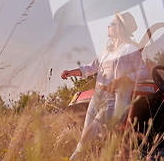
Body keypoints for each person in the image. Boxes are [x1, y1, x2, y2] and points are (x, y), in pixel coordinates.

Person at [61, 12, 149, 160]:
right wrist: (71, 72)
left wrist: (123, 79)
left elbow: (144, 72)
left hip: (114, 100)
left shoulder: (130, 49)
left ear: (121, 28)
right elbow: (90, 68)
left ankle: (74, 158)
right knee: (87, 135)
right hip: (97, 97)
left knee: (89, 134)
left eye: (112, 24)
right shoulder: (107, 52)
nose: (108, 26)